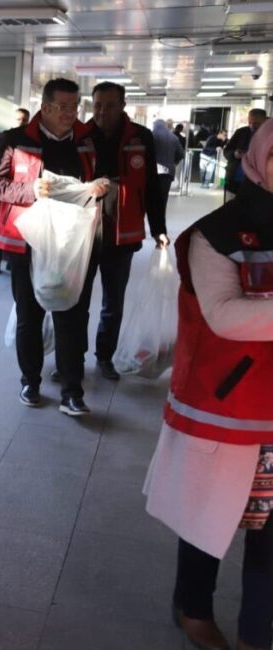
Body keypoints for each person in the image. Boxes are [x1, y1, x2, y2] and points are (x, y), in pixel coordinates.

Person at [144, 118, 273, 650]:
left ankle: (257, 630)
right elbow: (225, 316)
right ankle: (193, 607)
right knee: (209, 514)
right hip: (230, 403)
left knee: (271, 533)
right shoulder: (216, 233)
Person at [0, 78, 109, 416]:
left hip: (72, 245)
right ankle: (30, 380)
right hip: (26, 242)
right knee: (30, 314)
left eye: (74, 107)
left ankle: (72, 391)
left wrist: (99, 187)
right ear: (45, 108)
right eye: (62, 107)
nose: (70, 114)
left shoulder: (87, 143)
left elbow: (101, 178)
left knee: (71, 315)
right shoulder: (13, 141)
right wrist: (30, 191)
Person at [88, 82, 169, 381]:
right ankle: (69, 359)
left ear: (122, 106)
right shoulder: (82, 135)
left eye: (109, 105)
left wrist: (159, 228)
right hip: (85, 235)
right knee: (77, 302)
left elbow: (150, 188)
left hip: (124, 235)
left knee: (113, 302)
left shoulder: (140, 137)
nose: (102, 112)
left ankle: (104, 357)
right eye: (97, 105)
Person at [0, 107, 30, 273]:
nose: (21, 123)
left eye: (24, 120)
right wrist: (2, 184)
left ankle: (11, 261)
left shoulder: (31, 141)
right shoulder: (1, 138)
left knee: (17, 230)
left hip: (20, 197)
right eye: (19, 120)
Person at [225, 109, 269, 200]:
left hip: (258, 184)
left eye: (256, 124)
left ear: (265, 120)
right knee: (230, 210)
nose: (252, 126)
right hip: (235, 180)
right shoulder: (241, 132)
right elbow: (227, 150)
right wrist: (234, 154)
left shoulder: (270, 134)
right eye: (250, 122)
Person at [153, 119, 185, 209]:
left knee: (151, 196)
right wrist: (174, 162)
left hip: (153, 171)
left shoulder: (151, 136)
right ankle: (160, 217)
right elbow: (181, 154)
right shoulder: (174, 137)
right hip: (168, 171)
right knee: (163, 196)